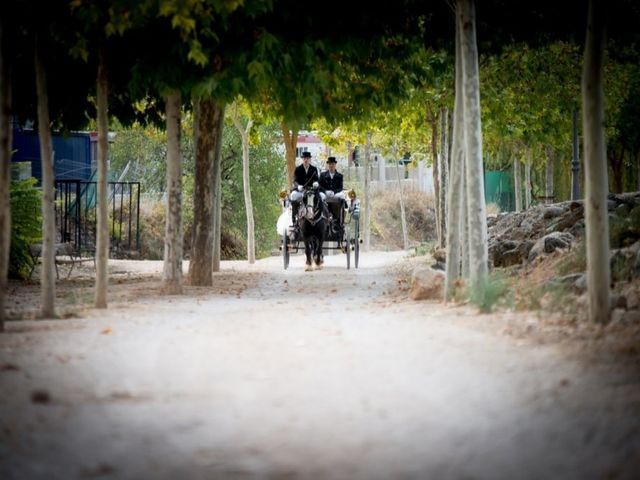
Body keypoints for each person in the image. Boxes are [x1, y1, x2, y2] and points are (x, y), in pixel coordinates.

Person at [289, 151, 322, 226]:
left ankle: (321, 216)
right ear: (302, 159)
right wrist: (298, 186)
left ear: (310, 159)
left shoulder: (314, 169)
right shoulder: (298, 169)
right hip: (301, 190)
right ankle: (294, 218)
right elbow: (295, 181)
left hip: (311, 191)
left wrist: (316, 183)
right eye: (304, 158)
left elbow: (317, 179)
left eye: (307, 158)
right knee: (293, 196)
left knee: (321, 197)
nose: (306, 160)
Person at [319, 156, 345, 232]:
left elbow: (340, 187)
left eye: (332, 164)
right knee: (320, 196)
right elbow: (320, 186)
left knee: (342, 196)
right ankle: (321, 215)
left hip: (335, 194)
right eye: (330, 164)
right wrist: (326, 191)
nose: (331, 165)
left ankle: (339, 219)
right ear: (328, 165)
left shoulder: (339, 176)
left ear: (335, 165)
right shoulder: (323, 175)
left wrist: (334, 192)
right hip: (325, 193)